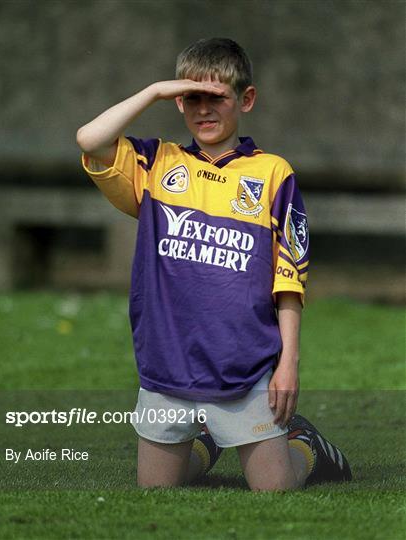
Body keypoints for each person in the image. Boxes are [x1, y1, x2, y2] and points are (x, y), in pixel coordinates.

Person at [77, 37, 351, 490]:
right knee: (157, 490)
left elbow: (289, 279)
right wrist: (153, 92)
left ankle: (307, 447)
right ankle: (208, 441)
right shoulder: (156, 162)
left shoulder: (272, 174)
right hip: (167, 362)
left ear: (246, 99)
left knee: (275, 489)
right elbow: (89, 139)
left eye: (216, 98)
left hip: (243, 365)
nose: (203, 110)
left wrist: (290, 363)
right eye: (191, 99)